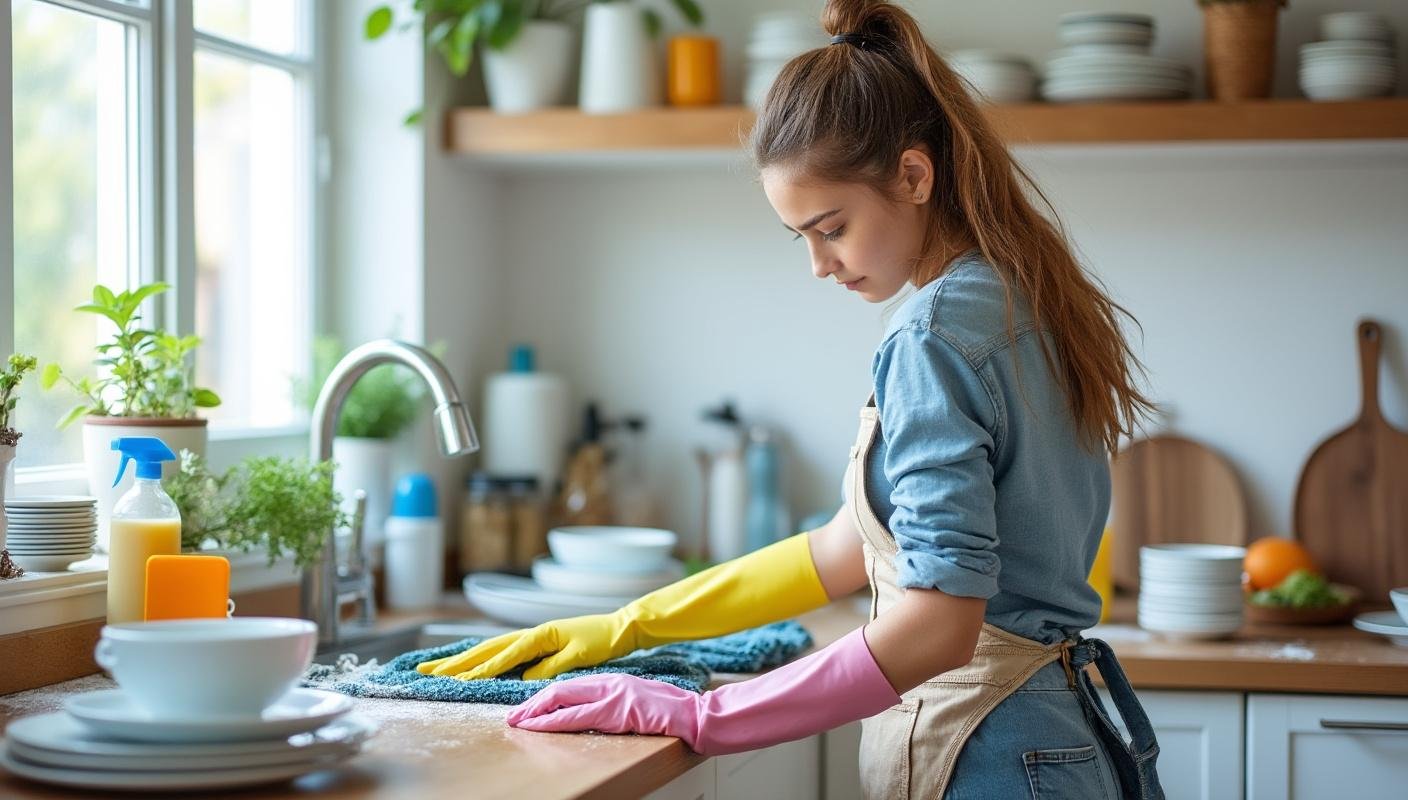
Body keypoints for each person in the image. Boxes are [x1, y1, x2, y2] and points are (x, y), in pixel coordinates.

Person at [418, 1, 1165, 797]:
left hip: (989, 748)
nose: (819, 264)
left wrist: (703, 717)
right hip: (1056, 740)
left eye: (831, 227)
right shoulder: (1023, 297)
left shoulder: (931, 337)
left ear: (914, 175)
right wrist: (625, 626)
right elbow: (843, 549)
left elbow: (940, 627)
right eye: (801, 237)